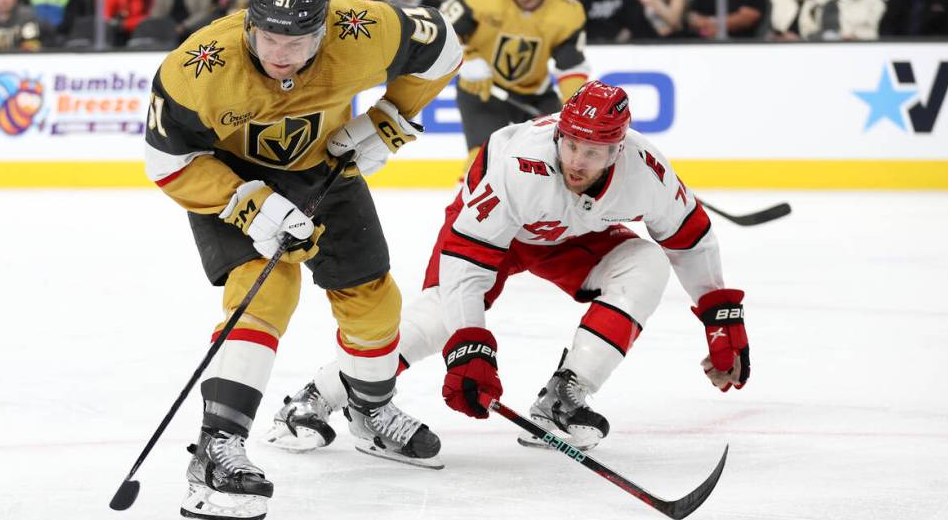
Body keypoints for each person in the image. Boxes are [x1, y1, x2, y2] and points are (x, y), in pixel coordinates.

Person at [265, 80, 752, 455]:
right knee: (440, 319)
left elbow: (689, 240)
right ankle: (315, 396)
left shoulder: (647, 172)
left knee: (645, 262)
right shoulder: (522, 165)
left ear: (618, 150)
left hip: (569, 236)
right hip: (486, 235)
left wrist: (717, 312)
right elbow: (468, 259)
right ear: (559, 132)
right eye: (572, 144)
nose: (578, 161)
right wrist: (468, 345)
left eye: (595, 151)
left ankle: (565, 398)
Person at [143, 0, 461, 520]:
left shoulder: (363, 29)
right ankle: (217, 451)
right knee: (264, 292)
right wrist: (249, 205)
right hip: (230, 176)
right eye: (266, 37)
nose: (277, 54)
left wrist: (389, 118)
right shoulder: (198, 67)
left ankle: (370, 411)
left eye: (295, 41)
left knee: (373, 297)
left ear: (326, 27)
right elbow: (166, 162)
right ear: (249, 22)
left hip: (325, 168)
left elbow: (445, 47)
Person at [441, 0, 590, 168]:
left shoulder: (565, 9)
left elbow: (570, 64)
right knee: (482, 163)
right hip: (482, 90)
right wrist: (466, 58)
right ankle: (466, 203)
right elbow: (442, 31)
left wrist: (575, 108)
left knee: (557, 158)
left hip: (535, 94)